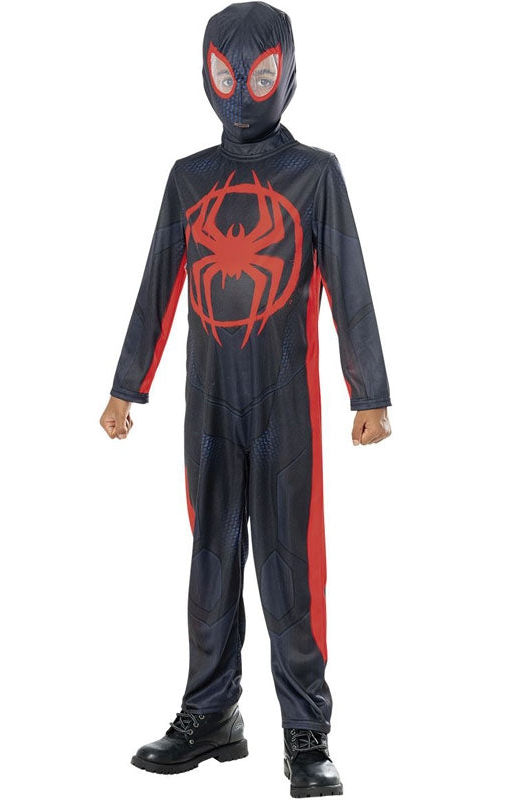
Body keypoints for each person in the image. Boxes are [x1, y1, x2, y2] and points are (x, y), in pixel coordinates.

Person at [99, 2, 392, 796]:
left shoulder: (315, 174)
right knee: (212, 556)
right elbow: (159, 284)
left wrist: (368, 390)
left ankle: (307, 733)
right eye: (226, 76)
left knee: (291, 564)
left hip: (285, 405)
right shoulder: (188, 177)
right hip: (208, 405)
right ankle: (211, 714)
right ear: (205, 74)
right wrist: (128, 384)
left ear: (287, 74)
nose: (240, 93)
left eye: (258, 76)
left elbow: (350, 281)